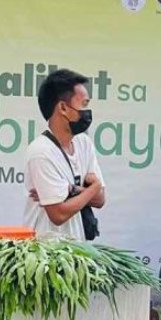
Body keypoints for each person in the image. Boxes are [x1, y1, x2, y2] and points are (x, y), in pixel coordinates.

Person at [24, 69, 105, 240]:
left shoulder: (84, 143)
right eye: (83, 104)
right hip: (46, 255)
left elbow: (100, 199)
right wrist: (93, 187)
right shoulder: (41, 152)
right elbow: (58, 214)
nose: (87, 111)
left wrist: (70, 189)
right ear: (62, 108)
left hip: (78, 252)